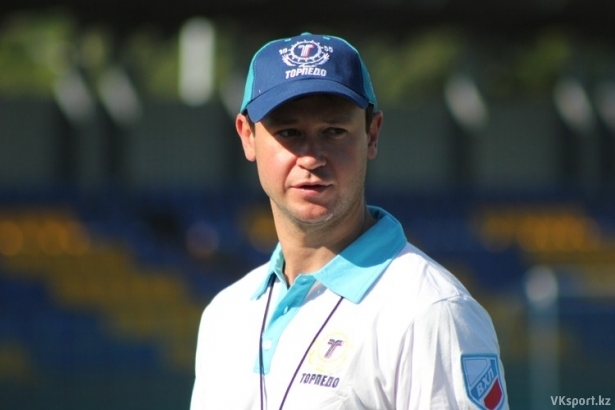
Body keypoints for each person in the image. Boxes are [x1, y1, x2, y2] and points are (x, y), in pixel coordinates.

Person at [190, 32, 508, 410]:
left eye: (334, 132)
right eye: (289, 132)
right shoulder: (225, 315)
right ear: (248, 137)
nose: (312, 157)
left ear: (372, 135)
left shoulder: (431, 311)